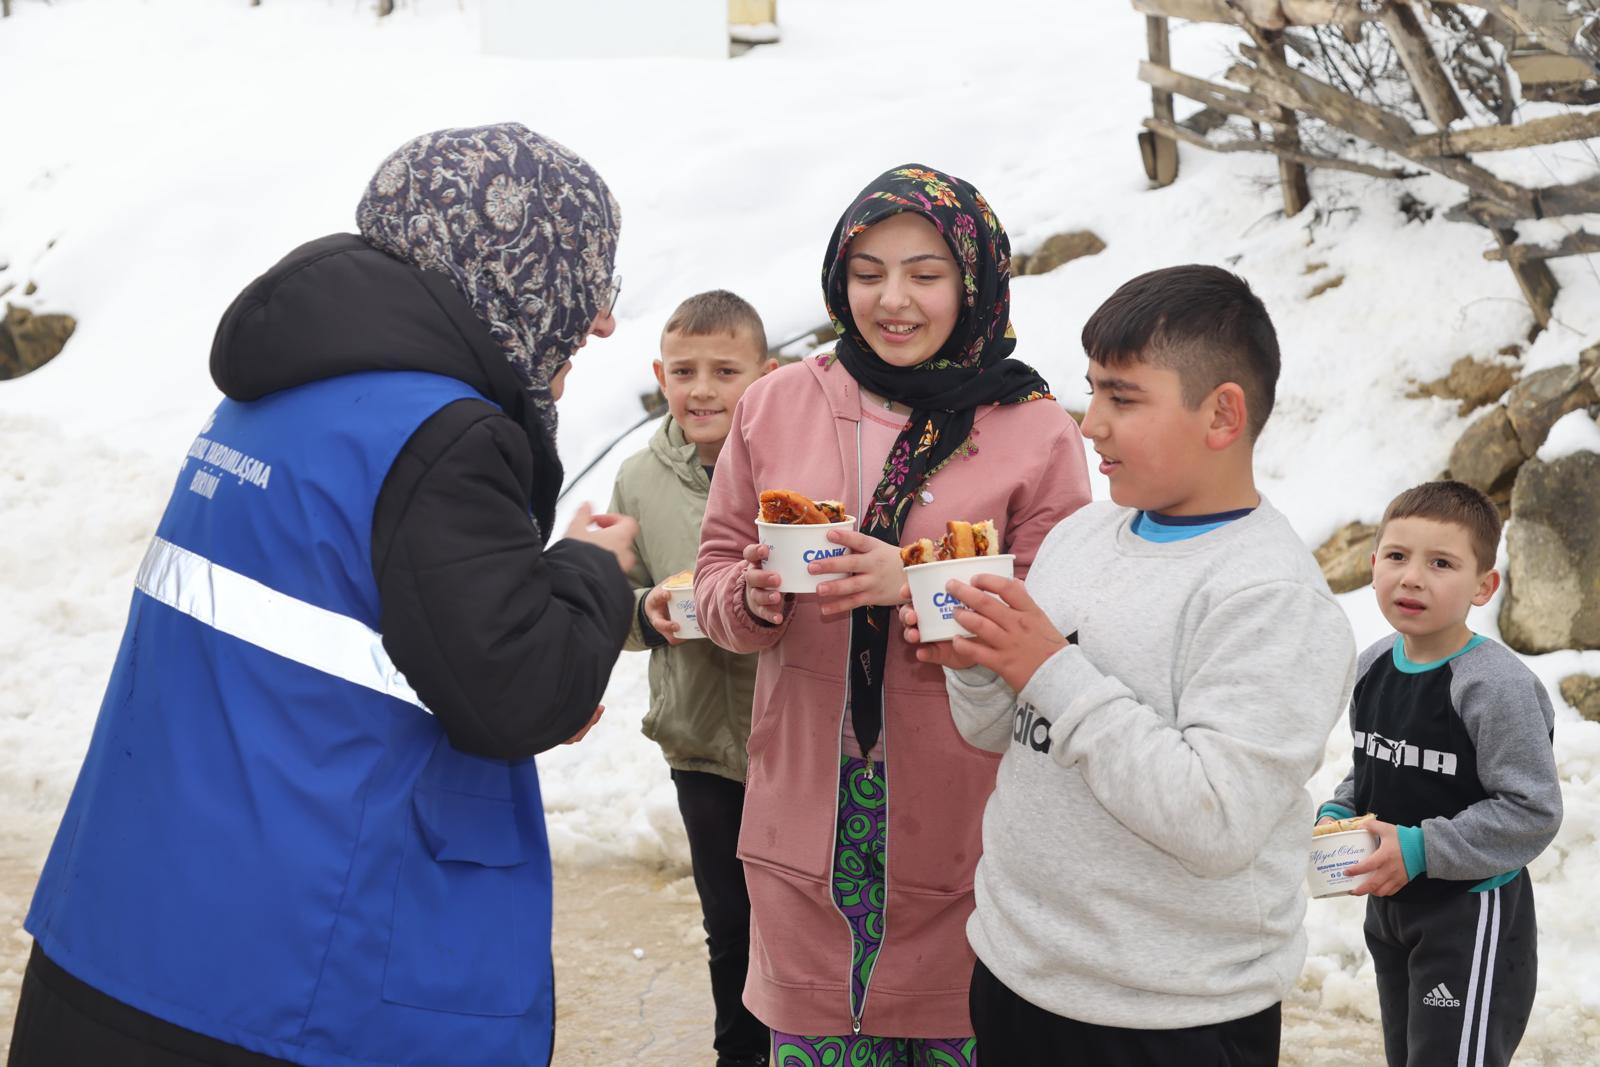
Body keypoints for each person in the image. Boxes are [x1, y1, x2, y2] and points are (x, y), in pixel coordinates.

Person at [9, 124, 637, 1067]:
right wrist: (594, 569)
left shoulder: (277, 395)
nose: (601, 323)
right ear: (511, 261)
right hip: (286, 985)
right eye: (586, 279)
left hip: (125, 936)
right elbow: (520, 689)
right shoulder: (442, 436)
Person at [911, 264, 1358, 1066]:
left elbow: (1215, 821)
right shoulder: (1083, 536)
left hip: (1171, 1016)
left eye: (1123, 397)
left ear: (1223, 413)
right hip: (1017, 972)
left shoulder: (1272, 597)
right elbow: (997, 732)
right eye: (1093, 391)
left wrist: (1049, 667)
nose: (1091, 426)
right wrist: (976, 662)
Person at [694, 164, 1091, 1064]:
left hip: (965, 820)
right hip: (806, 802)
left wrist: (910, 582)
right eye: (868, 272)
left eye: (925, 272)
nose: (893, 299)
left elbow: (1059, 608)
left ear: (974, 280)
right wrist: (749, 598)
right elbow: (717, 563)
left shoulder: (1033, 427)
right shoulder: (779, 403)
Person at [1317, 480, 1561, 1067]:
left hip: (1468, 914)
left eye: (1442, 563)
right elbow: (1374, 765)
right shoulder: (1374, 664)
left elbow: (1532, 810)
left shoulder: (1495, 686)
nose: (1413, 577)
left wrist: (1423, 847)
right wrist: (1342, 810)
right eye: (1397, 556)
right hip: (1393, 909)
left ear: (1484, 585)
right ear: (1373, 564)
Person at [607, 289, 778, 1067]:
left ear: (764, 375)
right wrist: (648, 610)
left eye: (723, 370)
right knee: (731, 922)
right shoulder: (640, 480)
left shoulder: (793, 467)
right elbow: (612, 601)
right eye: (684, 370)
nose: (702, 387)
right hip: (700, 741)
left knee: (803, 913)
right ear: (660, 375)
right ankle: (737, 1053)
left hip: (791, 738)